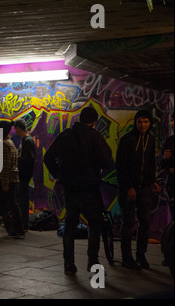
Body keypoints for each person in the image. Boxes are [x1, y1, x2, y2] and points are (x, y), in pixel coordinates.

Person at [44, 107, 113, 275]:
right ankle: (92, 260)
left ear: (80, 118)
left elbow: (48, 158)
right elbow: (107, 161)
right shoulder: (94, 137)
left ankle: (69, 264)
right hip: (89, 187)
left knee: (70, 225)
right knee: (95, 224)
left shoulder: (65, 135)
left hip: (70, 188)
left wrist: (59, 175)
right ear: (94, 122)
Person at [116, 109, 161, 270]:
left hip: (144, 189)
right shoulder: (127, 140)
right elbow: (121, 166)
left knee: (145, 222)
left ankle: (141, 255)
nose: (143, 125)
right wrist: (129, 187)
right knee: (128, 222)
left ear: (150, 123)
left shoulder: (150, 139)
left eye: (146, 122)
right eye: (140, 122)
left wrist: (153, 181)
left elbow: (150, 164)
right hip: (129, 189)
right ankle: (126, 257)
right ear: (136, 123)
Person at [14, 118, 35, 231]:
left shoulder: (27, 141)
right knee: (21, 199)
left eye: (15, 128)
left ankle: (24, 224)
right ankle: (22, 223)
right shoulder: (25, 140)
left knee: (23, 200)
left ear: (18, 128)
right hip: (23, 175)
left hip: (23, 176)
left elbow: (28, 159)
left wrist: (17, 159)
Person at [161, 112, 174, 220]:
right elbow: (161, 164)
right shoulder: (169, 141)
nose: (172, 123)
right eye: (171, 120)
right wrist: (163, 158)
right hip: (172, 185)